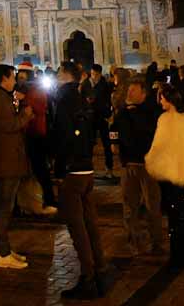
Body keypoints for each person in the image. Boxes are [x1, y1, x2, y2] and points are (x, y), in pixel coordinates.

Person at [54, 72, 112, 298]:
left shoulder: (64, 101)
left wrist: (60, 168)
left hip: (73, 170)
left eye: (59, 74)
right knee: (90, 223)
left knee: (77, 227)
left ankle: (87, 277)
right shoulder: (83, 98)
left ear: (65, 76)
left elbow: (63, 137)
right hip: (87, 167)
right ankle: (100, 268)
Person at [0, 63, 36, 270]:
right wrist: (26, 115)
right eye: (13, 77)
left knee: (6, 206)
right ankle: (3, 253)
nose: (15, 80)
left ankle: (5, 249)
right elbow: (9, 125)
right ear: (4, 78)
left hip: (7, 158)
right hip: (6, 161)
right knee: (4, 206)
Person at [145, 85, 184, 269]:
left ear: (168, 99)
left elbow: (159, 147)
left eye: (162, 98)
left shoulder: (166, 120)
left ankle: (179, 256)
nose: (160, 101)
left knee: (176, 220)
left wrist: (150, 161)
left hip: (174, 177)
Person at [113, 79, 167, 257]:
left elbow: (148, 131)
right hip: (129, 164)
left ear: (143, 93)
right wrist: (114, 143)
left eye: (134, 91)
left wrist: (133, 113)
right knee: (130, 206)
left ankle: (156, 242)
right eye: (129, 90)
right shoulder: (123, 112)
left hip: (148, 165)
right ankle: (133, 241)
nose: (130, 94)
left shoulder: (151, 111)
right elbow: (114, 130)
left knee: (153, 205)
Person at [20, 69, 55, 209]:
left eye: (23, 77)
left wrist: (24, 100)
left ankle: (49, 198)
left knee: (40, 169)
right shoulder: (27, 91)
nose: (20, 80)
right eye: (19, 77)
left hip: (37, 133)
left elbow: (39, 109)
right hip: (29, 132)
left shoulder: (36, 91)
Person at [87, 64, 115, 173]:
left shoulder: (105, 85)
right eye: (92, 74)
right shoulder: (87, 84)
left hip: (102, 117)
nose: (93, 76)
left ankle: (109, 168)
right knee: (89, 143)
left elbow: (108, 101)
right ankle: (88, 166)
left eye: (95, 74)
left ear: (99, 74)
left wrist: (107, 114)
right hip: (91, 117)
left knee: (106, 144)